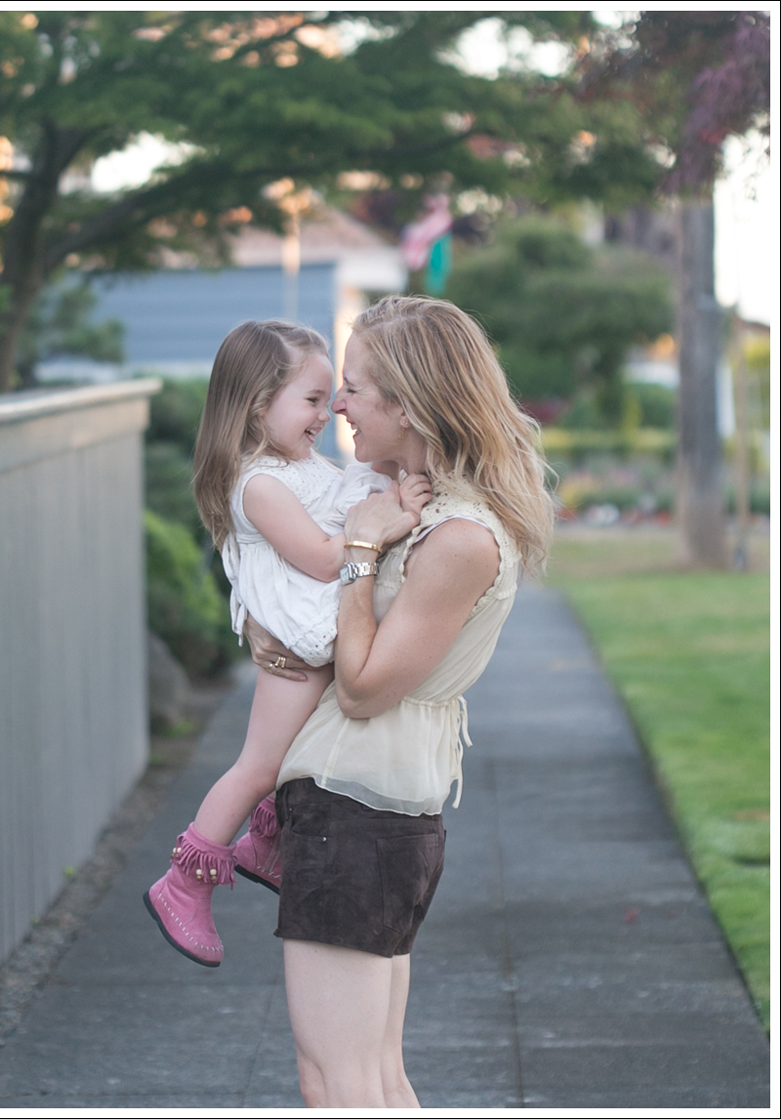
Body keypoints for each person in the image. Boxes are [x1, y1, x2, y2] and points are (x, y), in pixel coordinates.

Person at [243, 295, 554, 1107]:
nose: (337, 404)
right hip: (373, 812)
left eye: (353, 387)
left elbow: (365, 685)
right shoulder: (421, 509)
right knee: (373, 1077)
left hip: (356, 811)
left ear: (409, 402)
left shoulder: (453, 535)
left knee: (337, 1081)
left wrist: (357, 550)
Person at [144, 319, 430, 967]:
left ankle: (261, 845)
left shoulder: (301, 465)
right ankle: (183, 882)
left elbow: (344, 500)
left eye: (334, 395)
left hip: (308, 647)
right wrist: (387, 521)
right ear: (254, 404)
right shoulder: (259, 484)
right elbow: (327, 558)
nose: (329, 410)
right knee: (259, 766)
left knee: (297, 755)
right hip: (294, 653)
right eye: (312, 398)